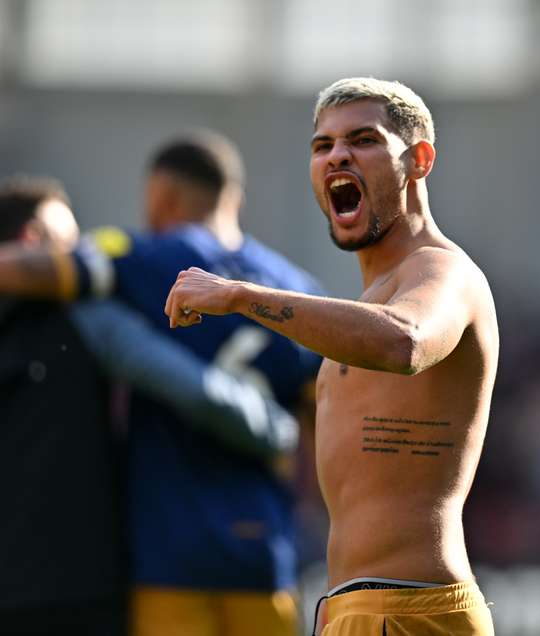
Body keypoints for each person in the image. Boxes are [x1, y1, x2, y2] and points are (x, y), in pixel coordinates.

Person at [164, 77, 498, 635]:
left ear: (418, 160)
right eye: (323, 146)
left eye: (364, 140)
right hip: (354, 606)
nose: (338, 154)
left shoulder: (442, 271)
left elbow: (407, 341)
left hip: (410, 608)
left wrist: (243, 295)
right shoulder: (370, 299)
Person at [0, 132, 325, 636]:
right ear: (233, 197)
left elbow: (49, 270)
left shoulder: (139, 256)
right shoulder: (301, 291)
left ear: (161, 195)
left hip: (168, 556)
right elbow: (326, 427)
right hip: (265, 556)